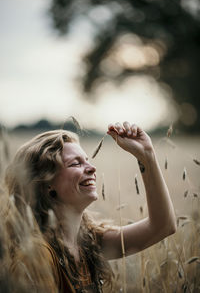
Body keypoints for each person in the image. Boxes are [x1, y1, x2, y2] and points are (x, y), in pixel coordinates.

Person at [1, 121, 176, 293]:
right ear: (47, 183)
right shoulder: (38, 256)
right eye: (76, 163)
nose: (92, 168)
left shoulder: (89, 242)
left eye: (87, 160)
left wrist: (147, 155)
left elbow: (163, 225)